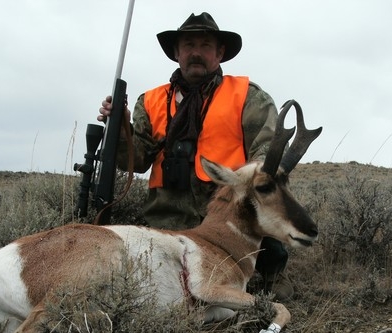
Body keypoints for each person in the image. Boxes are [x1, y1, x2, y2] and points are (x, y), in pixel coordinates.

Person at [98, 12, 293, 300]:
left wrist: (238, 180)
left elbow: (268, 154)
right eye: (189, 45)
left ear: (220, 52)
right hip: (167, 226)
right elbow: (136, 161)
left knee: (264, 286)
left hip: (228, 224)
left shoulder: (248, 97)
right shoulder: (150, 101)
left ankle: (270, 274)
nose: (196, 53)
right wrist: (121, 129)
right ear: (177, 53)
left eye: (205, 45)